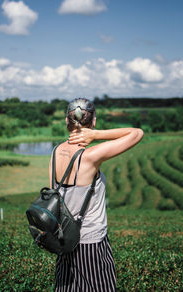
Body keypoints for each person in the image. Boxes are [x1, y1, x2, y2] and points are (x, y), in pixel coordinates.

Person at [49, 98, 143, 292]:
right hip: (90, 241)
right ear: (93, 122)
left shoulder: (56, 151)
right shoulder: (90, 156)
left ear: (67, 121)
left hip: (64, 239)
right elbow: (137, 133)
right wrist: (96, 135)